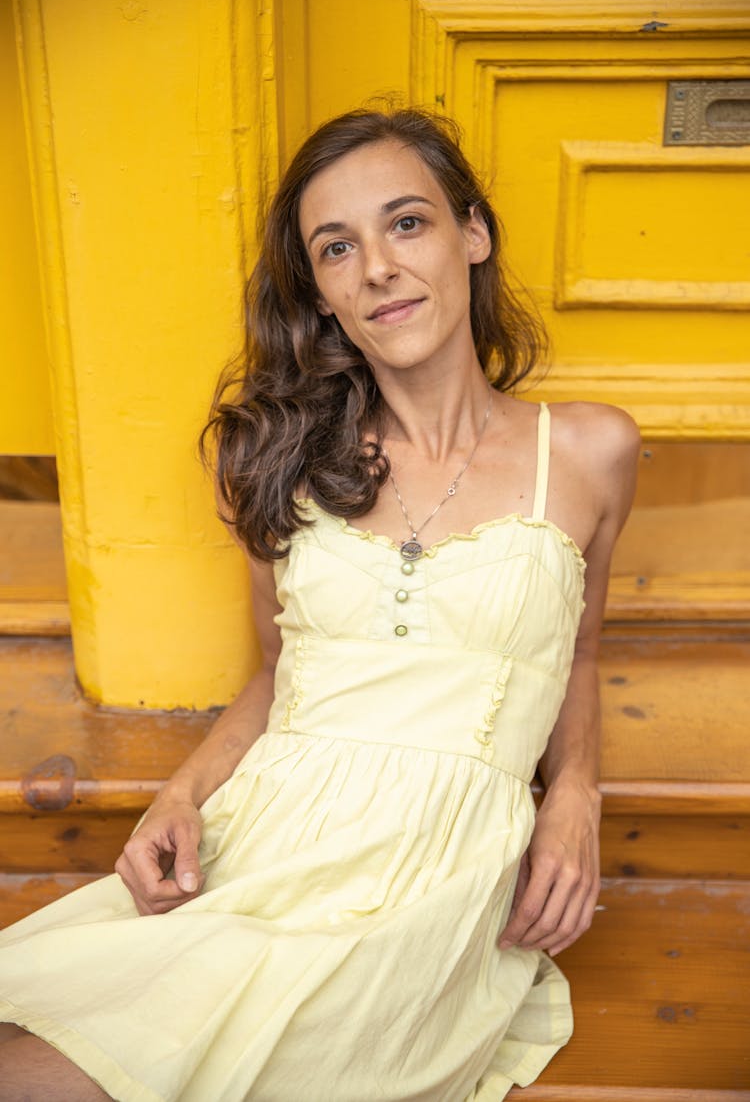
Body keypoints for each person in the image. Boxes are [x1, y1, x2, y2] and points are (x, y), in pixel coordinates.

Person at [0, 106, 639, 1101]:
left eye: (407, 224)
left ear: (473, 235)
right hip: (266, 838)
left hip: (428, 880)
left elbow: (578, 654)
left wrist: (575, 795)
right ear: (322, 297)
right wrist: (178, 796)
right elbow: (278, 675)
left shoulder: (591, 452)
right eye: (336, 248)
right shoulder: (277, 459)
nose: (376, 266)